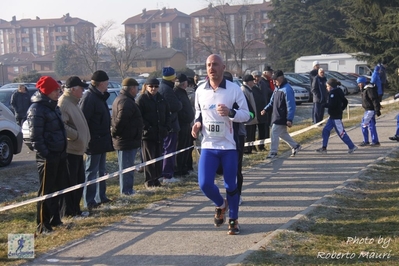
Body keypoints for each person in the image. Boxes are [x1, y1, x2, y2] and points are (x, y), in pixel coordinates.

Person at [191, 54, 250, 235]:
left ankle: (233, 219)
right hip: (208, 145)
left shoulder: (234, 89)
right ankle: (220, 204)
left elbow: (247, 115)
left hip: (229, 147)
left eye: (215, 64)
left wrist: (231, 112)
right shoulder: (200, 90)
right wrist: (196, 125)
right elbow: (198, 114)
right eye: (208, 65)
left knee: (230, 185)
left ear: (223, 67)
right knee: (204, 184)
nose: (211, 68)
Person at [26, 76, 67, 234]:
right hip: (47, 158)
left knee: (57, 188)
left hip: (59, 154)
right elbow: (36, 137)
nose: (59, 93)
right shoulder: (37, 109)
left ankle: (55, 219)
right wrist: (47, 154)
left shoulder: (53, 107)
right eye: (56, 90)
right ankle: (43, 224)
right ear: (47, 91)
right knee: (45, 191)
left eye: (59, 90)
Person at [79, 70, 114, 211]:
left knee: (101, 170)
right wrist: (89, 139)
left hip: (102, 140)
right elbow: (84, 121)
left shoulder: (99, 97)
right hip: (93, 142)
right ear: (101, 83)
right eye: (106, 82)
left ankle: (101, 196)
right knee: (91, 172)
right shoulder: (89, 98)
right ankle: (89, 201)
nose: (107, 85)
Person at [58, 76, 91, 217]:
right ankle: (69, 212)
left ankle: (76, 210)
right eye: (81, 89)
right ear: (73, 90)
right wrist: (76, 136)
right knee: (70, 183)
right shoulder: (64, 103)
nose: (83, 92)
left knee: (79, 181)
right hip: (70, 150)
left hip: (78, 150)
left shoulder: (74, 103)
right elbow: (62, 126)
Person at [137, 78, 171, 189]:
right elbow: (139, 117)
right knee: (149, 158)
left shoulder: (161, 99)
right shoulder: (142, 99)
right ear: (146, 86)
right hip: (148, 134)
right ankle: (149, 181)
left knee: (158, 157)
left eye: (156, 86)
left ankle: (156, 179)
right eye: (151, 86)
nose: (153, 89)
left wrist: (166, 127)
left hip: (160, 133)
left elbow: (167, 114)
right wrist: (148, 127)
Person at [111, 78, 143, 195]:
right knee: (126, 168)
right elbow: (120, 121)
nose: (137, 90)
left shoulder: (124, 99)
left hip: (128, 139)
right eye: (136, 87)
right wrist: (116, 133)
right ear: (132, 88)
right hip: (125, 140)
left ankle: (128, 189)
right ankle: (126, 191)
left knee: (128, 166)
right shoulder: (126, 102)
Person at [261, 70, 301, 159]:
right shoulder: (276, 89)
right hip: (276, 115)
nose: (274, 82)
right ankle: (295, 146)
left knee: (274, 132)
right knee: (282, 133)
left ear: (281, 78)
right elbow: (272, 101)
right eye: (273, 80)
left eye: (275, 80)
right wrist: (265, 109)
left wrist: (289, 119)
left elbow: (291, 105)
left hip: (282, 116)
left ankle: (273, 152)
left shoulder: (287, 89)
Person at [316, 78, 358, 154]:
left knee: (341, 133)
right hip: (332, 117)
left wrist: (324, 105)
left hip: (336, 117)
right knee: (325, 130)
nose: (326, 88)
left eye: (327, 86)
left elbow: (332, 105)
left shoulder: (334, 93)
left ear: (331, 86)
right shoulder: (338, 91)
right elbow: (345, 101)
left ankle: (352, 146)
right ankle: (324, 147)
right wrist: (342, 108)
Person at [159, 66, 182, 183]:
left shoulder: (163, 87)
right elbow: (175, 106)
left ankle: (165, 173)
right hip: (171, 125)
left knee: (166, 149)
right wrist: (179, 103)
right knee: (169, 149)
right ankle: (167, 174)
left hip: (169, 124)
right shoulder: (167, 90)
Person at [174, 73, 195, 176]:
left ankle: (185, 167)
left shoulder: (183, 92)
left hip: (187, 124)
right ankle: (179, 169)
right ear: (184, 83)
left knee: (187, 147)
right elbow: (179, 109)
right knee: (181, 147)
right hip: (181, 125)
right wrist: (185, 117)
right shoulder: (176, 93)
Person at [356, 76, 381, 147]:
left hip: (370, 110)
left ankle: (368, 141)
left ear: (363, 82)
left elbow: (374, 99)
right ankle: (374, 141)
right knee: (371, 125)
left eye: (359, 83)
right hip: (368, 110)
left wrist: (377, 109)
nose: (358, 85)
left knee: (364, 125)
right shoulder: (365, 89)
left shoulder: (369, 89)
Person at [252, 70, 271, 151]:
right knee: (252, 130)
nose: (257, 78)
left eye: (258, 77)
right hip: (254, 111)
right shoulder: (251, 86)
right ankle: (252, 146)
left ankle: (261, 146)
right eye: (255, 77)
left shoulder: (263, 84)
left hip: (263, 110)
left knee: (262, 130)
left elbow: (269, 93)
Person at [241, 74, 258, 154]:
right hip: (248, 118)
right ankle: (247, 150)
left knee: (251, 134)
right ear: (248, 82)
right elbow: (246, 105)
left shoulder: (249, 89)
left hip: (251, 118)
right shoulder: (244, 90)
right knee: (247, 135)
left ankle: (250, 149)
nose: (254, 83)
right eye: (252, 81)